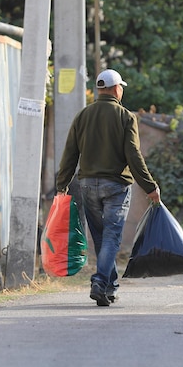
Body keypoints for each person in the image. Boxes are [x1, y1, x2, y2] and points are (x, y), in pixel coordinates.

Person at [55, 69, 161, 306]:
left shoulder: (82, 116)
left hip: (88, 186)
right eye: (121, 87)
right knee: (112, 237)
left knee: (102, 239)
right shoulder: (125, 117)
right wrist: (150, 186)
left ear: (99, 90)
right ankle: (100, 281)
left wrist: (62, 184)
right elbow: (133, 155)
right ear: (116, 90)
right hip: (115, 186)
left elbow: (70, 154)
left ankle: (109, 287)